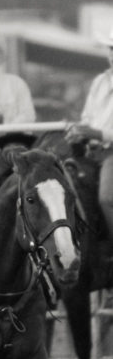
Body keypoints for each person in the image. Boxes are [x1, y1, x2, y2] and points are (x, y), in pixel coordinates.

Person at [66, 26, 113, 241]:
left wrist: (95, 132)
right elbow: (87, 117)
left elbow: (95, 127)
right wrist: (80, 132)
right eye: (112, 49)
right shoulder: (100, 82)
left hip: (110, 153)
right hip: (90, 150)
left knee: (107, 199)